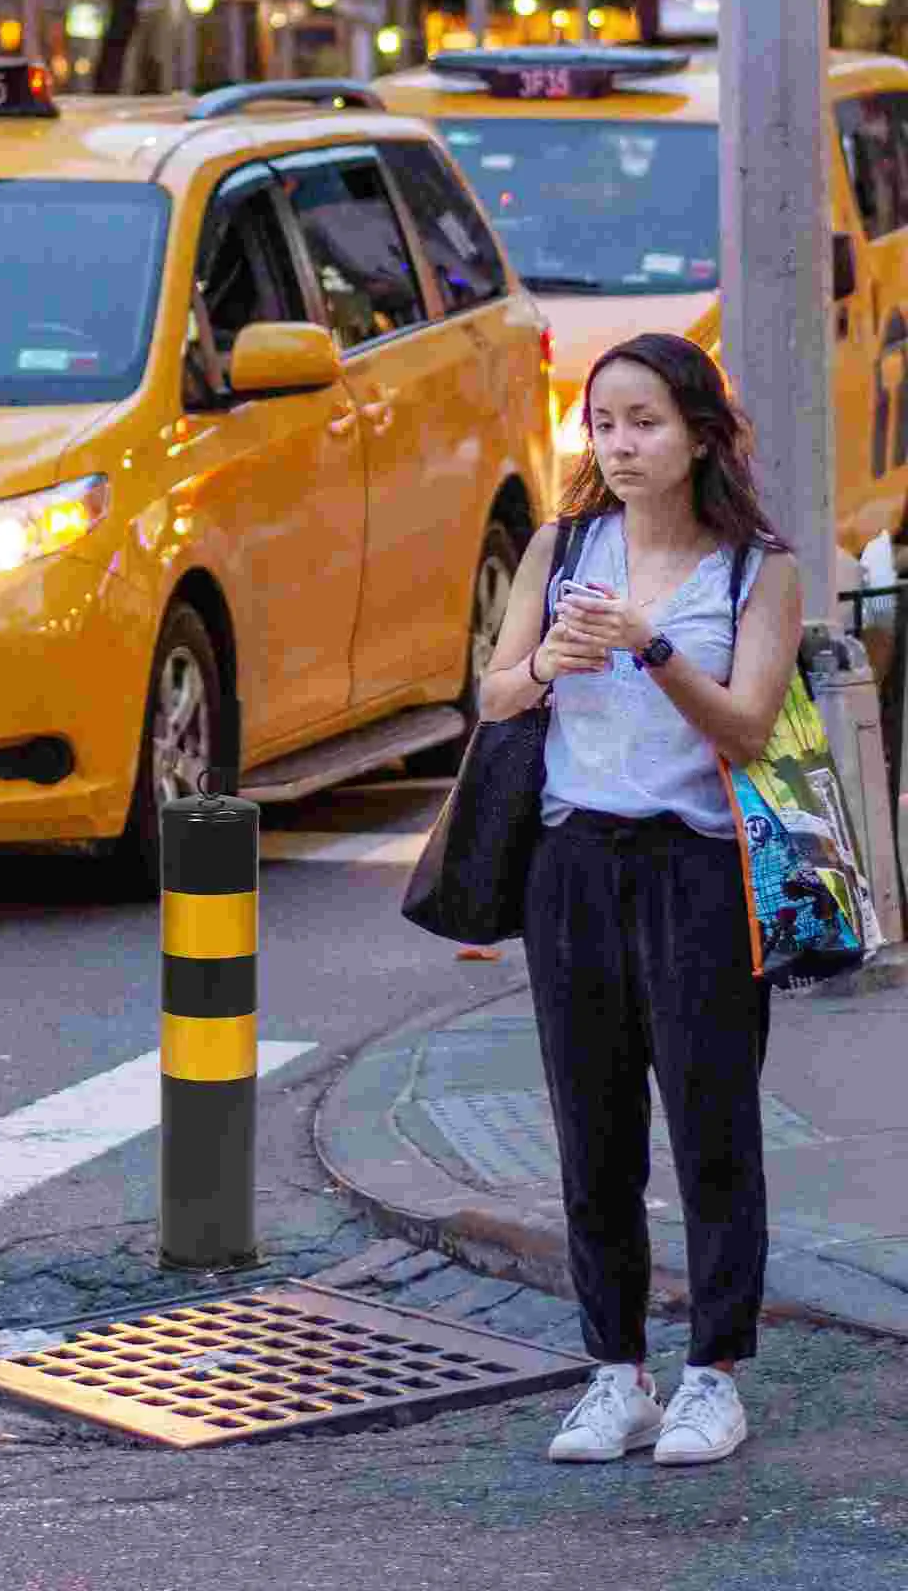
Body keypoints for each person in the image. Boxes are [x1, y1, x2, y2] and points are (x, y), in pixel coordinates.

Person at [479, 332, 803, 1466]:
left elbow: (751, 724)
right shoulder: (562, 544)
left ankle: (714, 1372)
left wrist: (650, 645)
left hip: (700, 871)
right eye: (603, 422)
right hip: (572, 868)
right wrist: (552, 665)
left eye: (645, 422)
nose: (619, 444)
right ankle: (612, 1371)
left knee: (713, 1127)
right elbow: (493, 691)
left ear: (701, 434)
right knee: (592, 1128)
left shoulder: (755, 566)